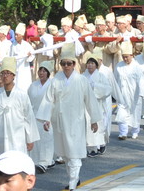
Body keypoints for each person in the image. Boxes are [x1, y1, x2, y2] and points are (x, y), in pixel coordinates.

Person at [36, 43, 101, 191]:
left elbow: (90, 100)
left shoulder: (81, 80)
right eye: (63, 63)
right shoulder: (55, 80)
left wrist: (94, 120)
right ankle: (74, 178)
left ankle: (72, 184)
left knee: (74, 154)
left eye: (69, 63)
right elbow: (49, 100)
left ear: (74, 64)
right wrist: (46, 119)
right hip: (60, 122)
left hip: (76, 122)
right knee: (65, 154)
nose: (66, 66)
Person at [0, 57, 39, 156]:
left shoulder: (22, 95)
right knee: (3, 161)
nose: (5, 76)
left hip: (18, 138)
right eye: (3, 73)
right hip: (0, 137)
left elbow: (29, 117)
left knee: (17, 161)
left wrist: (30, 138)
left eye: (8, 73)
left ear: (13, 75)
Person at [113, 41, 144, 140]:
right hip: (122, 94)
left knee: (135, 113)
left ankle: (135, 131)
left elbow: (142, 81)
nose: (125, 59)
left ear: (132, 55)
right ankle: (123, 133)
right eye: (123, 57)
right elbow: (115, 79)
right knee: (121, 113)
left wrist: (141, 93)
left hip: (134, 95)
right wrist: (115, 92)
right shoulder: (119, 66)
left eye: (127, 57)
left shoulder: (137, 67)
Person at [27, 61, 54, 173]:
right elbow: (28, 101)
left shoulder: (52, 85)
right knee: (35, 139)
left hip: (47, 116)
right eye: (40, 70)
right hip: (34, 115)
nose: (41, 73)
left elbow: (54, 102)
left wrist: (49, 117)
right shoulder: (33, 85)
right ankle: (35, 161)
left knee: (46, 140)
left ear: (48, 73)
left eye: (44, 71)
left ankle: (45, 162)